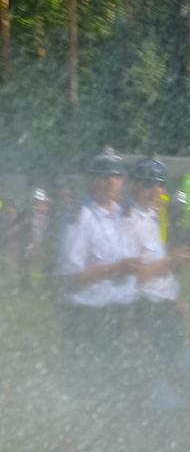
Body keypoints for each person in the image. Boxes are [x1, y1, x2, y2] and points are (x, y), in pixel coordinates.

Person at [55, 149, 139, 395]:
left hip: (115, 313)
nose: (111, 181)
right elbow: (70, 278)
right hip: (87, 317)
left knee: (114, 383)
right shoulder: (80, 217)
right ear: (92, 181)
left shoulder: (118, 216)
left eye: (116, 176)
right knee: (88, 384)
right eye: (105, 176)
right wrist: (115, 269)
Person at [122, 158, 188, 386]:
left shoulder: (149, 217)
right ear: (137, 185)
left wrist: (174, 297)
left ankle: (166, 408)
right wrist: (171, 259)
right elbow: (133, 276)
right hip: (145, 307)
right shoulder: (130, 221)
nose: (159, 191)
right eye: (153, 185)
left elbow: (156, 265)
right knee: (153, 372)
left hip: (161, 305)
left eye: (161, 185)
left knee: (172, 366)